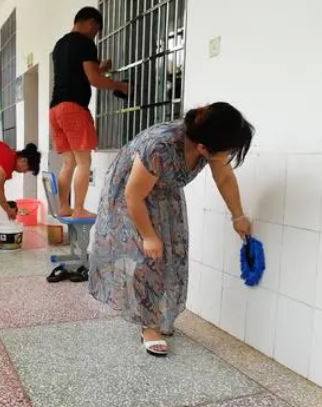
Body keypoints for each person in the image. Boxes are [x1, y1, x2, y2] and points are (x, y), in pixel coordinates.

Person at [88, 102, 254, 357]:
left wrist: (238, 216)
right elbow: (133, 195)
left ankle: (157, 314)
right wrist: (149, 236)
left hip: (164, 190)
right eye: (227, 151)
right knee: (149, 256)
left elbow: (224, 177)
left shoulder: (208, 138)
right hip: (130, 194)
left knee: (172, 253)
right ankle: (149, 325)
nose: (228, 156)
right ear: (203, 148)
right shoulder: (160, 146)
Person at [50, 6, 128, 219]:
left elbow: (78, 74)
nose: (95, 35)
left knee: (69, 163)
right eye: (96, 31)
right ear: (91, 23)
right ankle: (79, 209)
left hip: (55, 109)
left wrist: (100, 68)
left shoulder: (60, 45)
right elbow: (93, 79)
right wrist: (120, 86)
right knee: (84, 162)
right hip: (73, 108)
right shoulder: (85, 43)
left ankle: (63, 207)